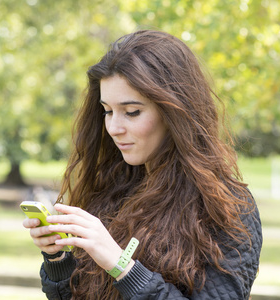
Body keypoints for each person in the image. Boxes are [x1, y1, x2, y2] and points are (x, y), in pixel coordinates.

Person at [23, 29, 262, 300]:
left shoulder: (227, 207)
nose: (114, 127)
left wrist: (120, 264)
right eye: (107, 111)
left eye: (132, 112)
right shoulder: (109, 188)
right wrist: (57, 258)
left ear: (175, 112)